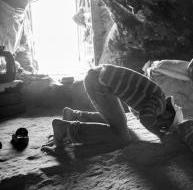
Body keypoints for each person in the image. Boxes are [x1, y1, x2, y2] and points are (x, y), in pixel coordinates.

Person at [42, 64, 183, 153]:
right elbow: (146, 119)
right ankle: (65, 130)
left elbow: (137, 112)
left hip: (100, 78)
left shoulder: (156, 99)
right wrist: (159, 133)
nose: (161, 127)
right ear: (166, 116)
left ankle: (74, 115)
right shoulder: (159, 105)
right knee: (123, 137)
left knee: (121, 125)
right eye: (164, 126)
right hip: (100, 83)